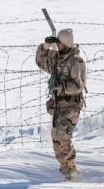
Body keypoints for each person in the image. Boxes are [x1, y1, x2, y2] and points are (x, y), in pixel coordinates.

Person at [36, 28, 86, 181]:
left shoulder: (76, 61)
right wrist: (45, 46)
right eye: (57, 42)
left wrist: (62, 87)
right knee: (57, 138)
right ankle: (68, 172)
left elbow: (79, 85)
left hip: (71, 106)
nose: (58, 45)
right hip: (59, 106)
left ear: (67, 43)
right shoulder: (58, 58)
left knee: (62, 137)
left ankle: (71, 170)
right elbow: (41, 61)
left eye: (60, 43)